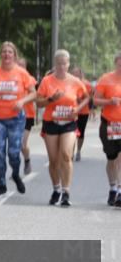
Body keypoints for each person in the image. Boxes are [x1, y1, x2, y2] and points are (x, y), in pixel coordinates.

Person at [36, 50, 89, 207]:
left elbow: (87, 97)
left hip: (69, 123)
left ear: (68, 64)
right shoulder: (47, 81)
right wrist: (51, 99)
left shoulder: (75, 81)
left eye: (64, 63)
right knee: (53, 160)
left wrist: (77, 109)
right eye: (58, 63)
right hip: (51, 122)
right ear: (55, 64)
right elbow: (38, 102)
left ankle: (66, 192)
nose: (61, 66)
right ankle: (56, 189)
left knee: (66, 155)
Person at [0, 42, 36, 197]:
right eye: (4, 52)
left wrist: (22, 102)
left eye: (10, 52)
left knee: (13, 152)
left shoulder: (22, 73)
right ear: (1, 55)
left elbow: (34, 93)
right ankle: (2, 184)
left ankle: (15, 173)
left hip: (16, 118)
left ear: (14, 55)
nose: (7, 54)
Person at [93, 52, 121, 207]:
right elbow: (95, 100)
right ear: (116, 63)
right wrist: (110, 101)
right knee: (112, 159)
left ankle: (120, 192)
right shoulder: (106, 79)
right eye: (120, 63)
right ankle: (112, 188)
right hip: (109, 124)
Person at [18, 56, 38, 175]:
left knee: (22, 143)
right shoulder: (12, 78)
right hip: (14, 115)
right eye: (18, 65)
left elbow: (35, 95)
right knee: (15, 144)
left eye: (22, 66)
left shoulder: (31, 79)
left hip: (28, 115)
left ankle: (27, 160)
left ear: (26, 67)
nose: (20, 68)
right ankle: (16, 169)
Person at [73, 67, 94, 162]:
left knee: (80, 133)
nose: (75, 75)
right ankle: (70, 152)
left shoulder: (87, 84)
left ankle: (78, 151)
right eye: (73, 74)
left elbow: (90, 98)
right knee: (72, 132)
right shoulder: (70, 83)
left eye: (76, 73)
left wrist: (91, 109)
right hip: (72, 112)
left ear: (81, 74)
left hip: (84, 112)